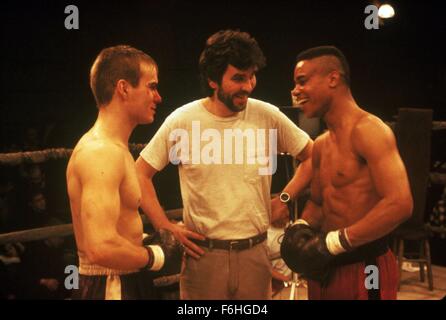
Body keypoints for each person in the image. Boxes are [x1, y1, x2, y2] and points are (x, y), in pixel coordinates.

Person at [136, 30, 313, 300]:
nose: (248, 85)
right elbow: (140, 173)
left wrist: (286, 197)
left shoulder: (267, 116)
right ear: (213, 79)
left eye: (252, 76)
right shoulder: (183, 120)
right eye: (238, 78)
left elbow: (313, 156)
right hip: (203, 256)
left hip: (255, 251)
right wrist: (165, 227)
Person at [281, 46, 413, 300]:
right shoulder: (320, 144)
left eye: (302, 81)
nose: (296, 91)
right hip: (325, 269)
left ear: (333, 78)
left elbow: (400, 203)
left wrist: (335, 242)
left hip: (366, 265)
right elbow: (319, 203)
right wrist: (301, 227)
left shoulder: (370, 130)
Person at [66, 45, 183, 300]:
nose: (158, 97)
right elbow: (100, 246)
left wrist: (148, 238)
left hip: (122, 278)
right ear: (123, 88)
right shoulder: (100, 152)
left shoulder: (117, 149)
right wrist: (156, 255)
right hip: (109, 284)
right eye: (151, 86)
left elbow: (115, 227)